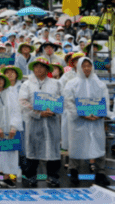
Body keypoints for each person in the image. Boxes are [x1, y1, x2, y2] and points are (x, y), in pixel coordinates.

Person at [63, 57, 111, 187]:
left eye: (89, 66)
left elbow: (105, 100)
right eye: (83, 66)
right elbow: (68, 102)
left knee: (98, 144)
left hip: (96, 121)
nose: (86, 68)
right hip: (78, 122)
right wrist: (82, 114)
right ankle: (74, 171)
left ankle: (100, 172)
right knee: (77, 145)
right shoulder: (72, 83)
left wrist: (100, 114)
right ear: (78, 67)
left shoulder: (100, 84)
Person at [17, 57, 63, 187]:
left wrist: (54, 111)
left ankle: (53, 176)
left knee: (53, 150)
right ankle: (31, 176)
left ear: (47, 69)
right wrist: (38, 113)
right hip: (34, 122)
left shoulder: (56, 83)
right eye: (36, 66)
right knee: (33, 149)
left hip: (52, 121)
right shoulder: (27, 84)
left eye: (42, 66)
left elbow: (61, 101)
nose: (38, 69)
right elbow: (22, 102)